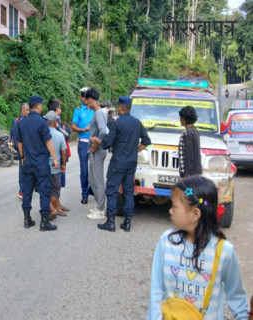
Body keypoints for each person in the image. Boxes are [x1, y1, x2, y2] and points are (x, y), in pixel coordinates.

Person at [147, 176, 250, 319]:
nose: (170, 211)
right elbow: (157, 290)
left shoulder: (224, 251)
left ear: (195, 214)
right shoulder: (166, 242)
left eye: (174, 206)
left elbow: (236, 295)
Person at [91, 96, 151, 232]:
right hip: (131, 163)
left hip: (118, 163)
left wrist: (96, 140)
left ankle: (111, 222)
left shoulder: (117, 124)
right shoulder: (137, 123)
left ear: (119, 107)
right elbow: (146, 141)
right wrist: (135, 151)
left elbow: (106, 143)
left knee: (112, 190)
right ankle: (127, 222)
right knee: (129, 191)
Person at [17, 95, 59, 231]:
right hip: (41, 164)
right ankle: (44, 222)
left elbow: (19, 142)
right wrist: (55, 159)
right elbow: (48, 141)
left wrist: (22, 156)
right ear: (39, 106)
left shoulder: (22, 122)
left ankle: (27, 219)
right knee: (44, 191)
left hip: (28, 163)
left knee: (27, 190)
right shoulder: (42, 122)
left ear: (29, 107)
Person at [85, 88, 108, 220]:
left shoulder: (99, 113)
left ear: (91, 100)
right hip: (97, 151)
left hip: (97, 151)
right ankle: (99, 206)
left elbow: (103, 131)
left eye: (87, 100)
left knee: (97, 180)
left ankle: (100, 210)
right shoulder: (98, 112)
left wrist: (95, 144)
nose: (86, 103)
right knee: (92, 179)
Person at [47, 98, 71, 212]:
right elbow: (66, 134)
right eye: (60, 107)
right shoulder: (55, 123)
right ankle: (54, 207)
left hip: (55, 159)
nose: (60, 109)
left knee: (57, 184)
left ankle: (58, 205)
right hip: (57, 159)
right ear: (57, 109)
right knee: (56, 185)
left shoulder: (53, 121)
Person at [71, 87, 95, 204]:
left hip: (94, 143)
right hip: (83, 143)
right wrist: (82, 129)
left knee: (94, 169)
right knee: (84, 170)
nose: (85, 99)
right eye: (83, 97)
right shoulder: (78, 110)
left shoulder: (95, 110)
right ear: (81, 98)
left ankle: (92, 189)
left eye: (87, 97)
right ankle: (84, 194)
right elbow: (73, 126)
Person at [44, 111, 68, 219]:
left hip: (44, 167)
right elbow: (64, 152)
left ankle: (50, 209)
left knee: (46, 190)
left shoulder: (42, 134)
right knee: (55, 191)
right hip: (55, 167)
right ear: (55, 123)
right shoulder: (59, 135)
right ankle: (51, 210)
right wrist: (63, 164)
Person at [10, 102, 30, 199]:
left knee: (22, 169)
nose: (28, 112)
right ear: (22, 110)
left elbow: (12, 134)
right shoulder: (24, 121)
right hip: (24, 149)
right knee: (24, 170)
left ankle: (22, 190)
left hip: (18, 149)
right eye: (27, 110)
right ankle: (23, 191)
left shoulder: (16, 121)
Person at [178, 106, 202, 178]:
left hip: (189, 174)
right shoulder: (195, 131)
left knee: (188, 189)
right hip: (196, 172)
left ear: (184, 119)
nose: (180, 120)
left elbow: (189, 155)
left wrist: (187, 174)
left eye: (181, 117)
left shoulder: (187, 133)